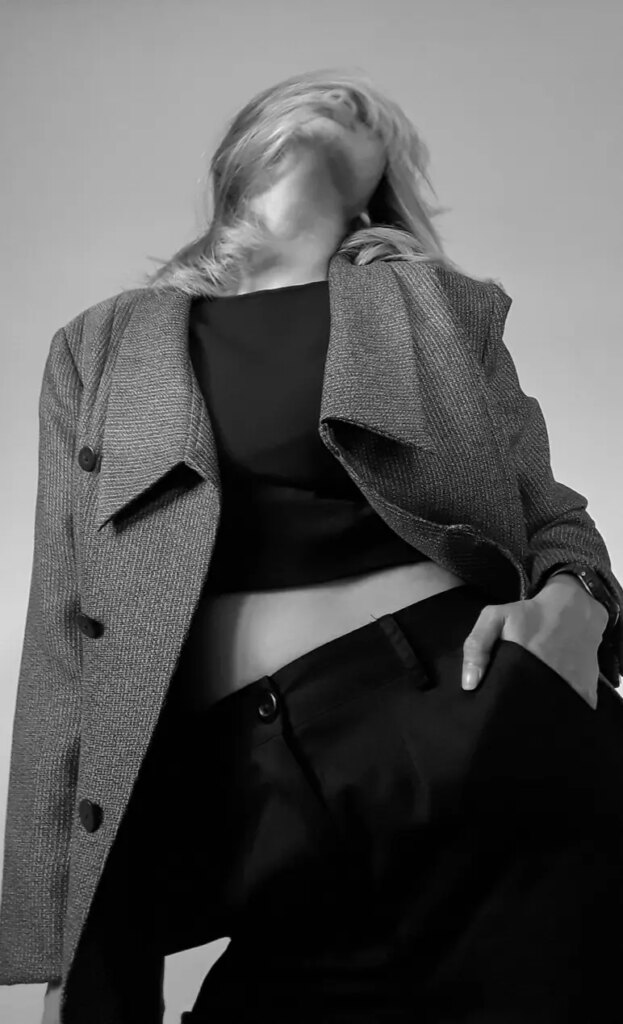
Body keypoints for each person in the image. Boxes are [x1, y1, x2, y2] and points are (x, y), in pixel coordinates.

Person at [1, 66, 623, 1024]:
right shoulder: (101, 346)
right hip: (251, 795)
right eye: (323, 93)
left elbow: (547, 512)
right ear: (239, 149)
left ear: (380, 178)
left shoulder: (434, 305)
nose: (347, 98)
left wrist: (578, 604)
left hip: (476, 723)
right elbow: (64, 627)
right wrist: (69, 947)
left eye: (369, 109)